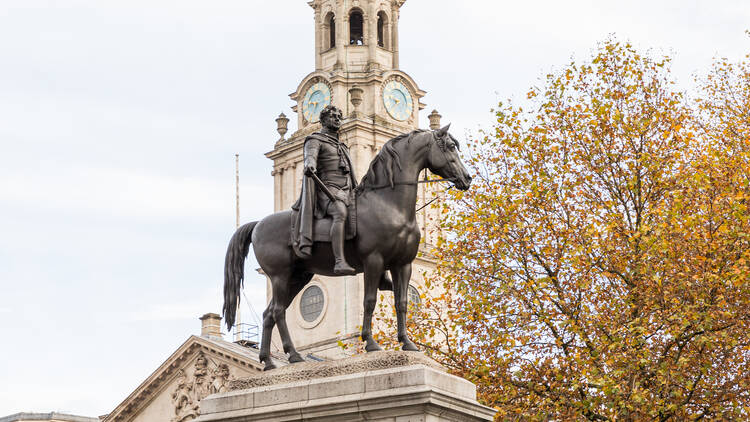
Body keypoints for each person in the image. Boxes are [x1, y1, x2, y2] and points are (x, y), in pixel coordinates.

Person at [293, 105, 358, 275]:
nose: (337, 119)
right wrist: (310, 166)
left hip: (347, 190)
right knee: (340, 212)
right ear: (323, 120)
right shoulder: (315, 140)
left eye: (339, 116)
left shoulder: (342, 145)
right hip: (327, 191)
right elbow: (310, 158)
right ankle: (339, 261)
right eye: (332, 116)